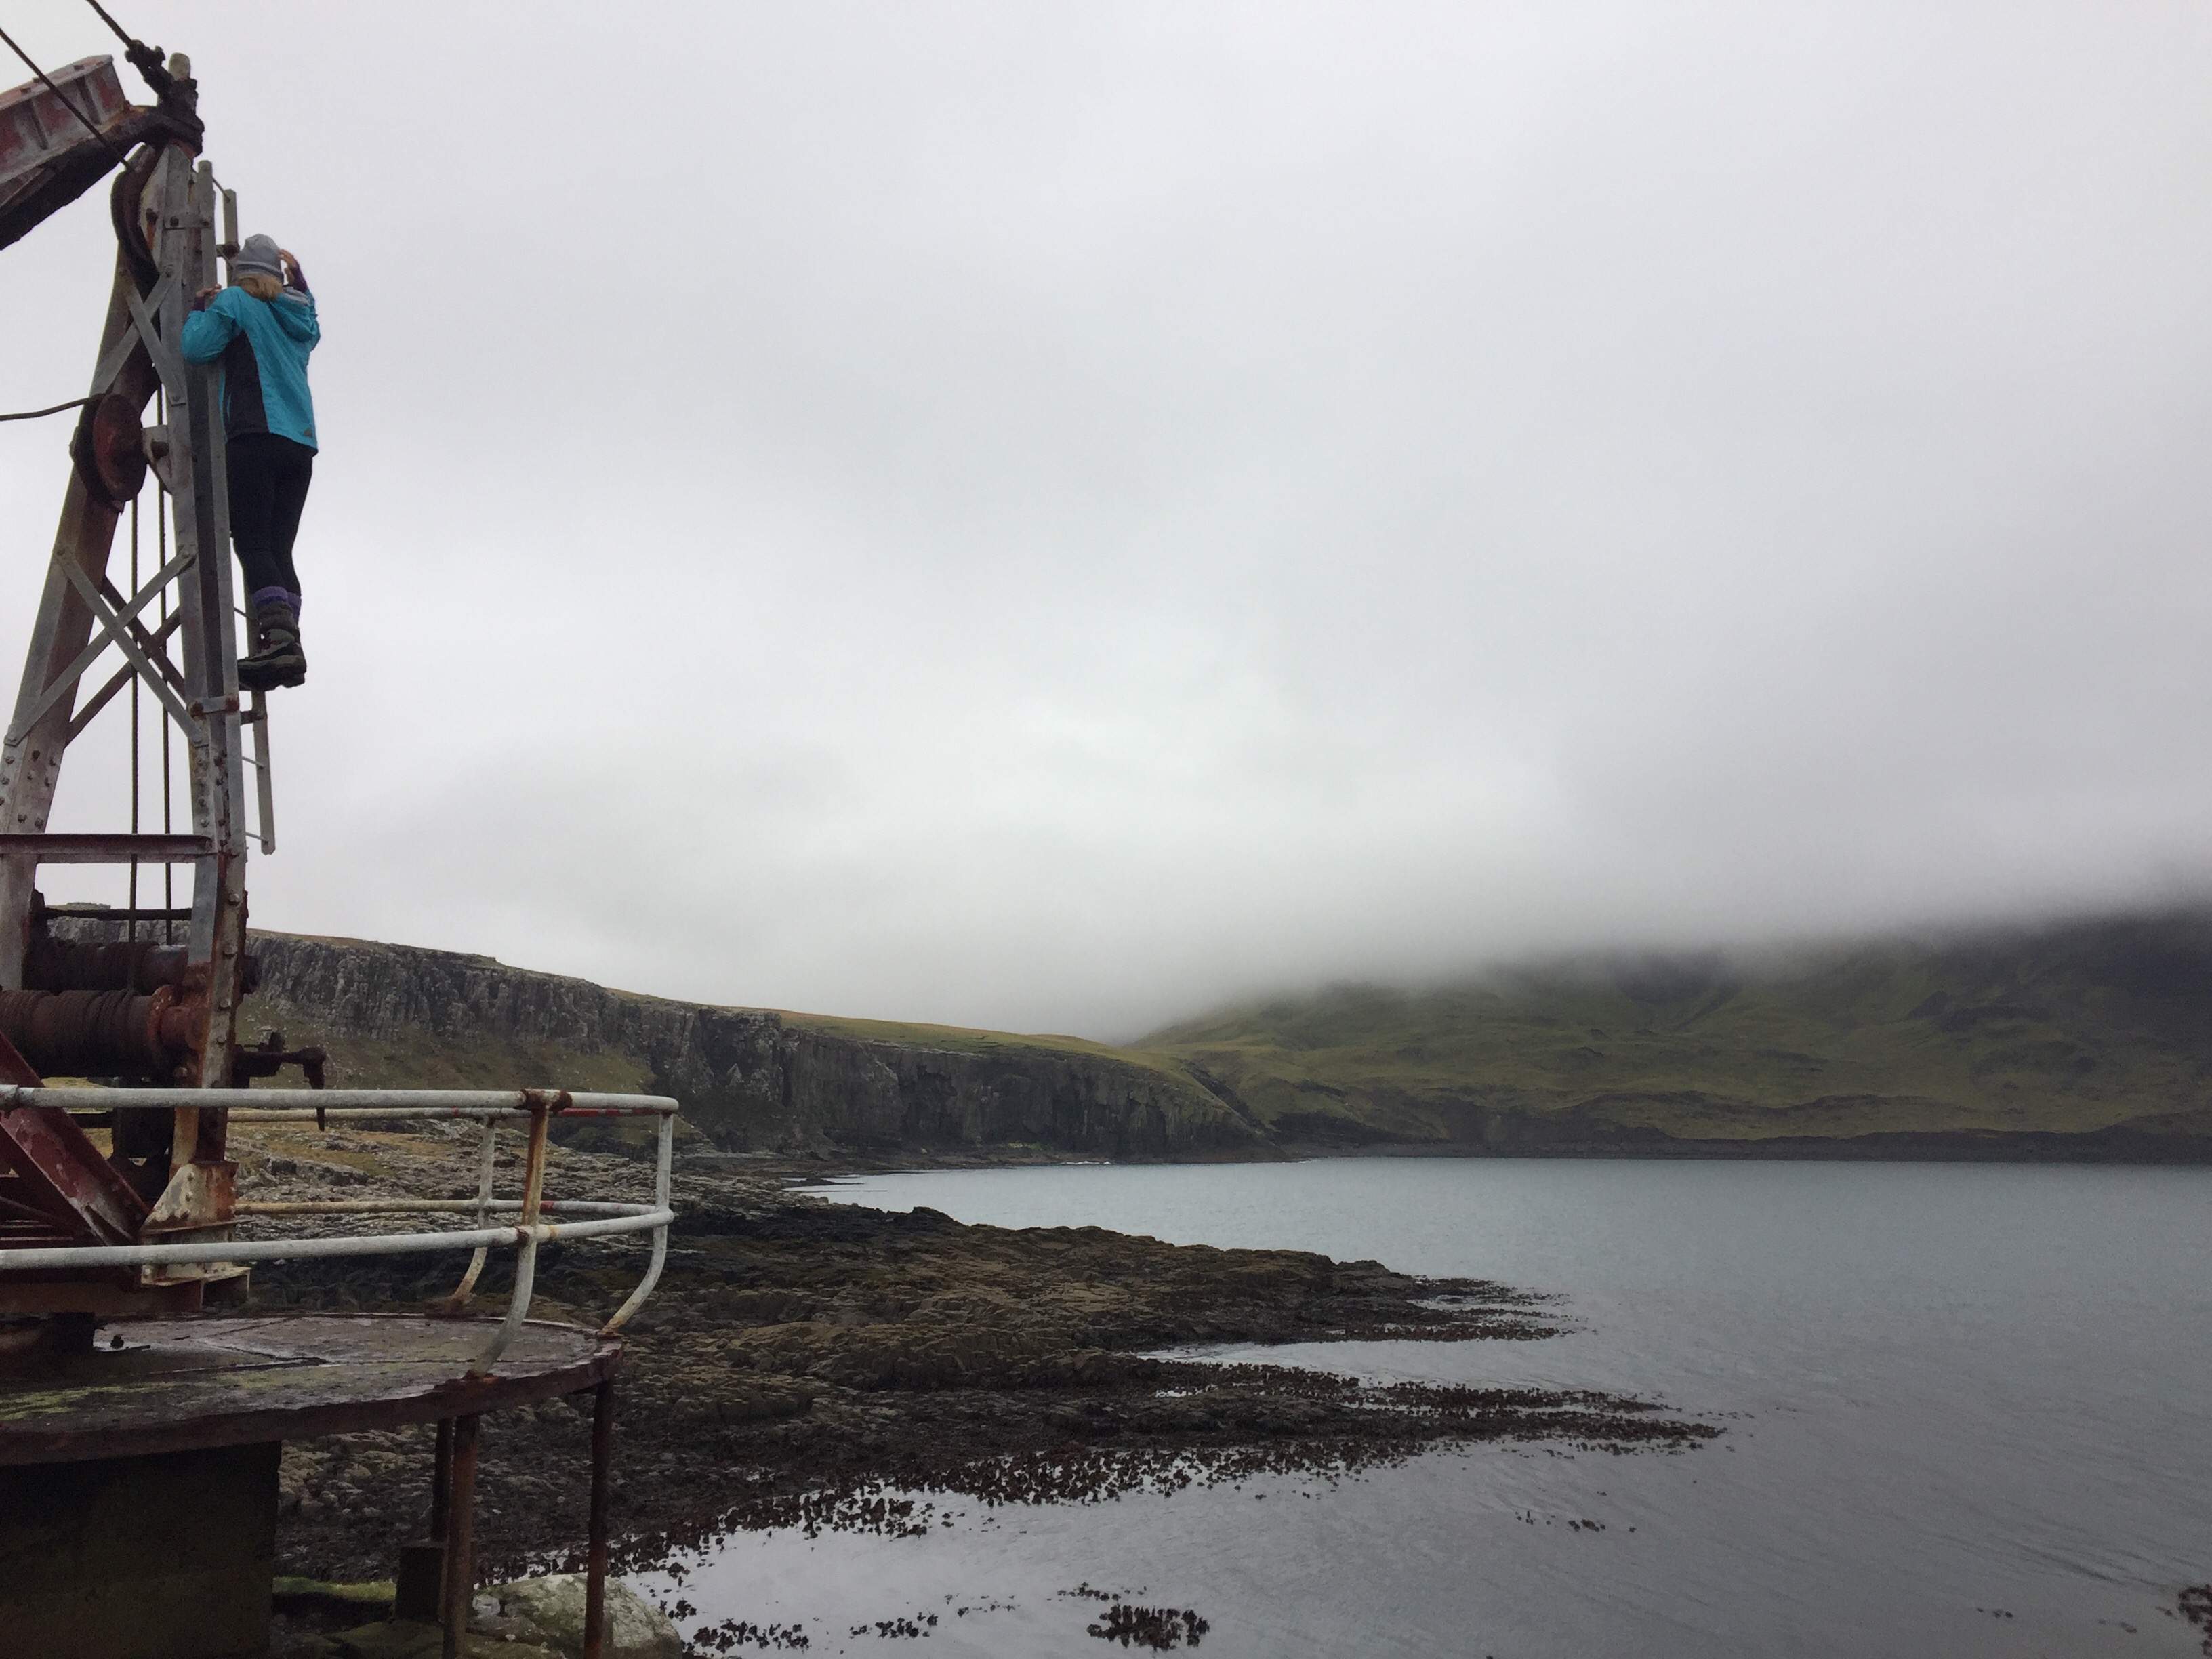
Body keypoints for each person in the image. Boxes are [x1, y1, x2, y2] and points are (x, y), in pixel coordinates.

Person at [180, 232, 320, 691]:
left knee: (253, 543)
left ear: (240, 273)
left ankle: (279, 643)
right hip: (300, 445)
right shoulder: (298, 317)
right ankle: (288, 648)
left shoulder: (236, 302)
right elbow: (310, 317)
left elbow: (197, 349)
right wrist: (301, 284)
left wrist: (199, 309)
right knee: (280, 548)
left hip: (255, 435)